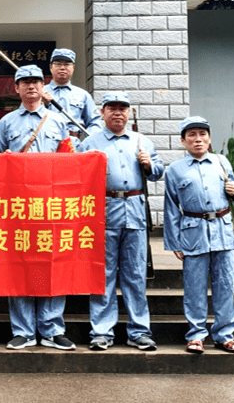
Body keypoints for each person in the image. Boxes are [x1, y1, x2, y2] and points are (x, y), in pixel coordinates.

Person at [0, 64, 75, 351]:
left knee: (52, 265)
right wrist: (4, 159)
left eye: (36, 81)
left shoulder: (57, 121)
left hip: (50, 206)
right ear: (16, 88)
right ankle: (23, 330)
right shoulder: (6, 123)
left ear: (43, 86)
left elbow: (69, 160)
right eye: (24, 82)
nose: (31, 86)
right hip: (17, 207)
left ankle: (52, 329)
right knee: (19, 266)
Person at [81, 91, 164, 351]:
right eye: (112, 108)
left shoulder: (141, 141)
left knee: (135, 275)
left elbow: (158, 171)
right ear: (102, 112)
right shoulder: (90, 142)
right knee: (103, 275)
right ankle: (102, 331)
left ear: (129, 113)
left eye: (123, 108)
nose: (118, 113)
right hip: (104, 213)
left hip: (135, 212)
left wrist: (149, 164)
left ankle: (139, 331)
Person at [163, 116, 234, 354]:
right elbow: (170, 208)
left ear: (209, 138)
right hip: (193, 233)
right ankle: (196, 335)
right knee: (194, 287)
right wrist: (174, 242)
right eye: (192, 135)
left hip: (222, 231)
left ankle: (225, 335)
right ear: (183, 141)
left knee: (225, 285)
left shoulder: (221, 162)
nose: (198, 139)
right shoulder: (175, 170)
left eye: (202, 134)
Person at [41, 48, 102, 144]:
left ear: (73, 67)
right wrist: (43, 105)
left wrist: (89, 142)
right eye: (58, 64)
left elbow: (94, 122)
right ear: (51, 67)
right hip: (46, 143)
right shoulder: (40, 92)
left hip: (73, 144)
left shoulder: (83, 95)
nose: (62, 68)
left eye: (67, 64)